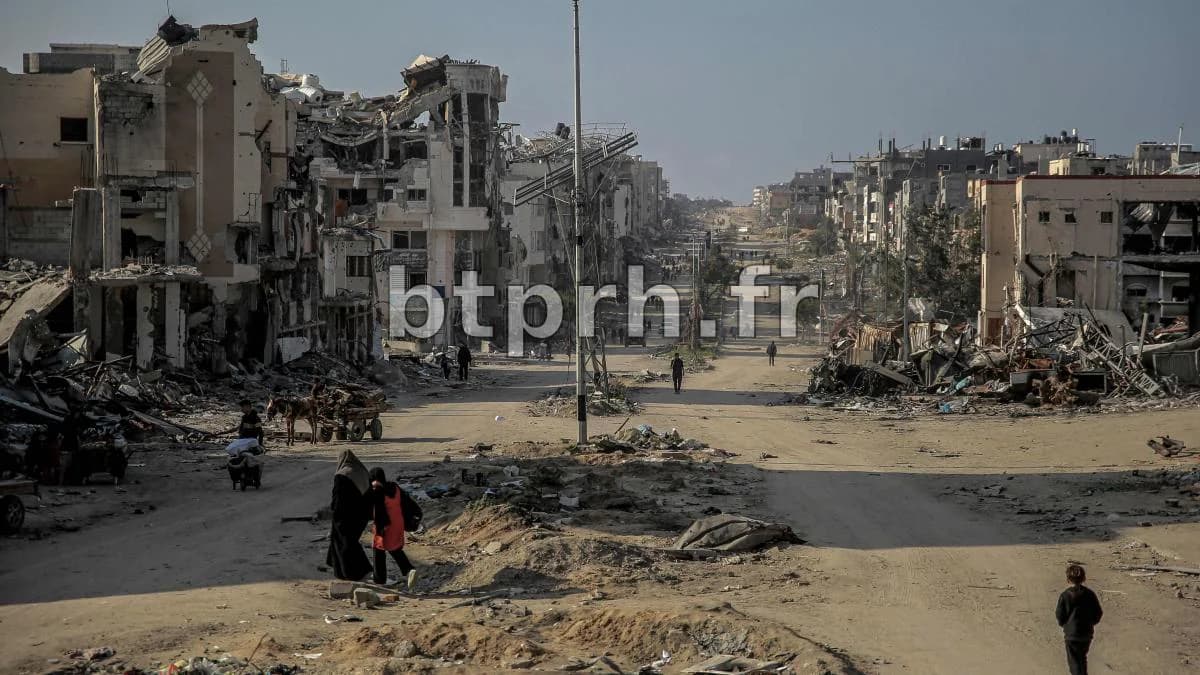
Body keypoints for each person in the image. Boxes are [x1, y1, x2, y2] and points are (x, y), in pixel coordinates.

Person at [326, 450, 373, 581]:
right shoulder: (362, 472)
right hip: (361, 516)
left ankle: (357, 572)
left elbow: (338, 498)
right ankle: (344, 571)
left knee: (345, 543)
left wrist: (333, 511)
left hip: (345, 515)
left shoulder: (342, 475)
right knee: (349, 542)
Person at [368, 467, 418, 588]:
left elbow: (379, 511)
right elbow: (406, 502)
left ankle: (379, 579)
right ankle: (409, 570)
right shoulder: (394, 487)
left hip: (386, 525)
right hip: (398, 523)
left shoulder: (377, 490)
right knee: (395, 549)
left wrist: (380, 528)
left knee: (378, 550)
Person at [1056, 563, 1103, 675]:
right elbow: (1098, 612)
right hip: (1086, 633)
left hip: (1072, 634)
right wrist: (1091, 623)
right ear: (1084, 578)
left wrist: (1065, 625)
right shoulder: (1090, 594)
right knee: (1082, 658)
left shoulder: (1065, 596)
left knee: (1074, 662)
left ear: (1068, 579)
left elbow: (1060, 615)